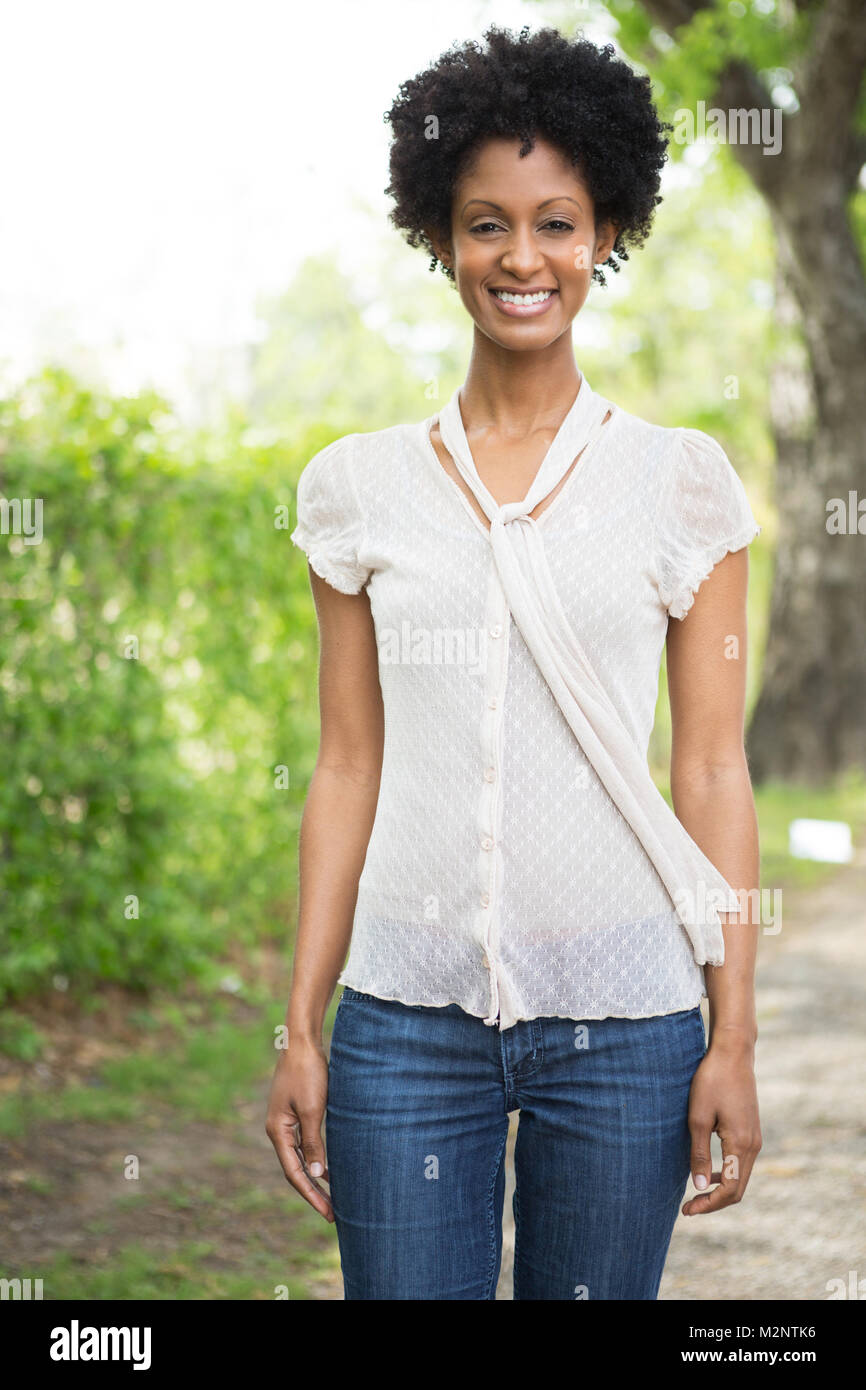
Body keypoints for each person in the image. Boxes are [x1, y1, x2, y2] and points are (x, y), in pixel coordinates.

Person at [266, 24, 763, 1301]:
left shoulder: (680, 485)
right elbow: (344, 763)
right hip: (401, 1028)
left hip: (626, 1024)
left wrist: (734, 1035)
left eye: (557, 222)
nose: (522, 257)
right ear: (439, 237)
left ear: (606, 234)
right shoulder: (356, 489)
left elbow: (709, 767)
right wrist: (302, 1028)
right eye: (486, 223)